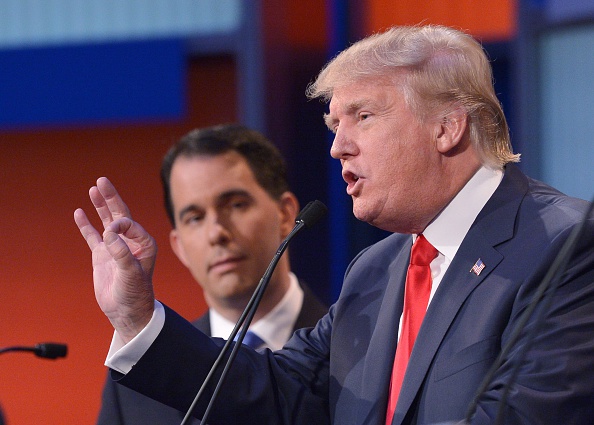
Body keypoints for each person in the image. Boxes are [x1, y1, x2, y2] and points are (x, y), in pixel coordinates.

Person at [75, 24, 594, 425]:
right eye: (333, 124)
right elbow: (277, 389)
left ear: (446, 126)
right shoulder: (377, 270)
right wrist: (137, 315)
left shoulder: (564, 244)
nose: (337, 146)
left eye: (362, 117)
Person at [94, 125, 328, 424]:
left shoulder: (350, 349)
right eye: (195, 218)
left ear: (284, 215)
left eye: (236, 205)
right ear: (178, 247)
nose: (216, 232)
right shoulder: (139, 379)